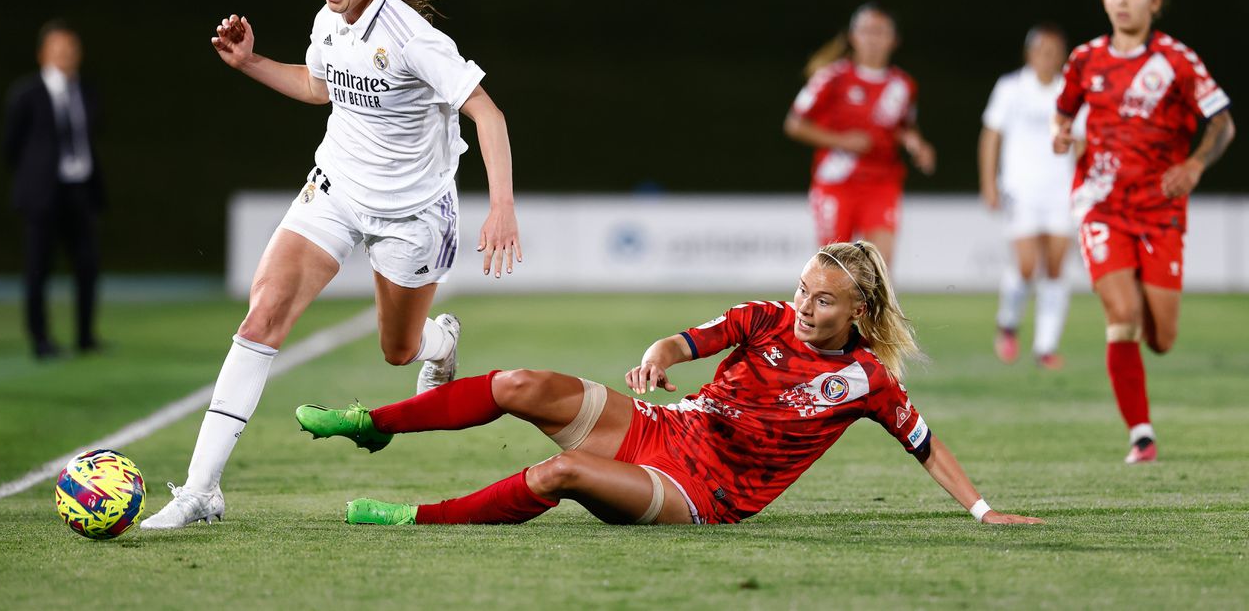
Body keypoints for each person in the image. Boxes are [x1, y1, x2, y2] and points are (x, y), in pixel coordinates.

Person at [142, 0, 521, 529]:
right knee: (263, 314)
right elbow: (322, 88)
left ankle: (440, 339)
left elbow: (489, 115)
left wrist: (501, 206)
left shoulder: (411, 37)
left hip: (413, 214)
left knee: (399, 351)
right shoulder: (330, 21)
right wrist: (251, 62)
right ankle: (200, 490)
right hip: (334, 190)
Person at [296, 242, 1042, 527]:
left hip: (705, 493)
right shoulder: (765, 318)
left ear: (860, 310)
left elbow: (925, 445)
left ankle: (415, 519)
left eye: (822, 300)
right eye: (802, 290)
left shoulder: (866, 380)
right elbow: (685, 340)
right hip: (667, 429)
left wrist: (982, 511)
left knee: (560, 472)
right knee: (521, 382)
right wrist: (658, 359)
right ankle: (375, 423)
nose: (804, 306)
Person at [1053, 0, 1234, 464]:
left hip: (1160, 209)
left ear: (1155, 1)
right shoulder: (1084, 60)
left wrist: (1197, 164)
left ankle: (1143, 394)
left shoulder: (1177, 61)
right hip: (1101, 203)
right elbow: (1063, 114)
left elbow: (1222, 122)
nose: (1121, 0)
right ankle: (1141, 434)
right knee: (1123, 314)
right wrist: (1063, 133)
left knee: (1162, 337)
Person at [784, 3, 935, 263]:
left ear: (894, 40)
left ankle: (873, 306)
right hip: (836, 181)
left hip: (881, 181)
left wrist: (917, 145)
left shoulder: (902, 85)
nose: (873, 39)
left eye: (880, 32)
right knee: (835, 267)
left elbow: (903, 126)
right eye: (866, 31)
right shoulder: (832, 77)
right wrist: (842, 141)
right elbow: (795, 124)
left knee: (879, 267)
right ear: (853, 37)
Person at [3, 21, 105, 359]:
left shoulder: (87, 91)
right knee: (38, 268)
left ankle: (85, 336)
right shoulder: (26, 94)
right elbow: (11, 146)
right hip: (43, 195)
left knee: (87, 265)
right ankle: (40, 338)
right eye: (59, 48)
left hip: (79, 190)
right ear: (42, 54)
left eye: (71, 48)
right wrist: (34, 181)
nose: (66, 54)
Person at [979, 24, 1076, 368]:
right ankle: (1008, 322)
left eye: (1053, 51)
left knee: (1054, 267)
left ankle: (1045, 347)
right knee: (1025, 266)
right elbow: (991, 136)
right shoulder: (1011, 88)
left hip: (1060, 190)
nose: (1047, 57)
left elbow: (1084, 140)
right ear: (1029, 54)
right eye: (1041, 50)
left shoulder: (1071, 91)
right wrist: (989, 182)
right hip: (1020, 189)